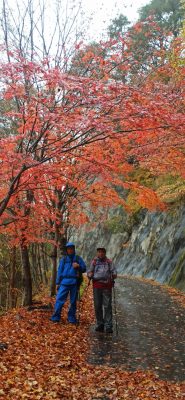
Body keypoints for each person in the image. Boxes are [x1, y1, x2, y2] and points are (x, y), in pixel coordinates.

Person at [50, 242, 86, 324]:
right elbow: (59, 271)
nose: (70, 250)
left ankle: (71, 318)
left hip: (74, 283)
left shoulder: (78, 258)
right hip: (64, 283)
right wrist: (58, 283)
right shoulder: (64, 259)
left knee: (73, 301)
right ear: (67, 250)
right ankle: (56, 317)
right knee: (59, 300)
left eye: (71, 248)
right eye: (68, 249)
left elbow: (84, 268)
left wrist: (78, 266)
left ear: (74, 249)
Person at [87, 247, 117, 333]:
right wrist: (89, 274)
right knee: (97, 305)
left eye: (102, 252)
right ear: (97, 253)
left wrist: (113, 275)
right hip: (97, 286)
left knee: (107, 306)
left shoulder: (109, 262)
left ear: (105, 253)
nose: (100, 253)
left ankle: (108, 326)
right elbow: (89, 271)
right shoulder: (94, 262)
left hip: (107, 286)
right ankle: (100, 324)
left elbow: (114, 272)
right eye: (99, 252)